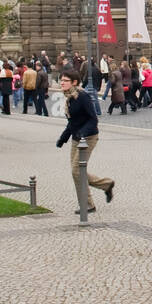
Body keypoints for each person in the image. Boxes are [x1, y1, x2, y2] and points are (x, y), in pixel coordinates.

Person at [55, 69, 115, 214]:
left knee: (77, 171)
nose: (62, 83)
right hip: (77, 138)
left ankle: (88, 204)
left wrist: (83, 133)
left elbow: (93, 119)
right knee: (77, 171)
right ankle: (106, 184)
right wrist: (63, 138)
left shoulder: (82, 96)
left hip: (88, 138)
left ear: (74, 82)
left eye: (65, 80)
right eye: (61, 80)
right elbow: (72, 122)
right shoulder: (70, 97)